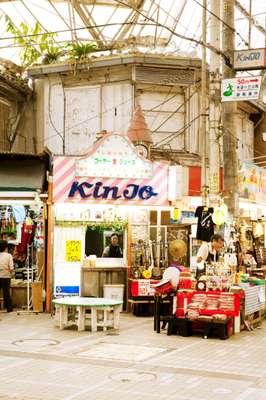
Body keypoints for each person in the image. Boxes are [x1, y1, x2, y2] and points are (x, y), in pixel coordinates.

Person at [0, 240, 14, 312]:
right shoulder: (9, 256)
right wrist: (12, 274)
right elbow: (11, 267)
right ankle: (9, 308)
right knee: (6, 293)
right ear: (6, 247)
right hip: (6, 276)